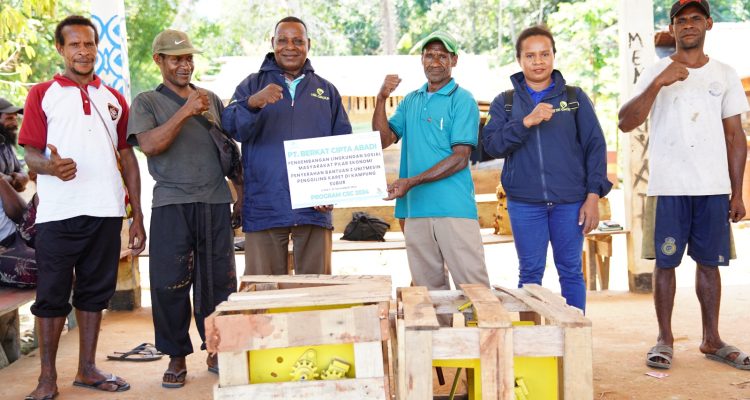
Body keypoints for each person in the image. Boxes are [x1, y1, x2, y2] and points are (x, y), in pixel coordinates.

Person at [18, 15, 146, 399]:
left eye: (89, 44)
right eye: (74, 45)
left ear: (96, 47)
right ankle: (46, 378)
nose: (83, 51)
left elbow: (127, 158)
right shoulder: (42, 94)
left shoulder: (113, 99)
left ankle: (87, 369)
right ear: (60, 49)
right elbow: (31, 156)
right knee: (52, 295)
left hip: (106, 211)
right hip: (58, 214)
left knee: (95, 292)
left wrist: (137, 214)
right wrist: (50, 167)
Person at [619, 0, 750, 370]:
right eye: (681, 20)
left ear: (708, 24)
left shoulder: (724, 74)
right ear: (672, 27)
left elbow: (735, 137)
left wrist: (737, 192)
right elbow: (626, 121)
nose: (688, 25)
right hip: (668, 187)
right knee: (666, 263)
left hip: (712, 188)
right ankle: (665, 338)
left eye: (695, 18)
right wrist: (659, 82)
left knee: (710, 265)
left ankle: (712, 339)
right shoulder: (656, 70)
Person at [127, 29, 238, 388]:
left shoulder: (212, 99)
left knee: (217, 280)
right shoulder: (146, 102)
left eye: (188, 58)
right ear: (159, 60)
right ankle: (176, 356)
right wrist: (186, 112)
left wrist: (241, 193)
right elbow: (150, 145)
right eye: (176, 58)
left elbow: (226, 149)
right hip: (172, 202)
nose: (185, 65)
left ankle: (215, 348)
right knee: (168, 283)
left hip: (216, 200)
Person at [482, 26, 611, 312]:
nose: (538, 61)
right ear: (519, 60)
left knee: (571, 272)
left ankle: (576, 336)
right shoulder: (506, 103)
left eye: (545, 54)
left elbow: (595, 148)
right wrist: (525, 122)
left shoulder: (575, 98)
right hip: (525, 204)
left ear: (554, 56)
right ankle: (532, 344)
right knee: (530, 275)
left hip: (570, 202)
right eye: (530, 55)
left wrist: (593, 196)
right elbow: (492, 145)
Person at [222, 16, 351, 275]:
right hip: (265, 205)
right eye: (283, 40)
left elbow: (343, 145)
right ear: (273, 43)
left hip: (314, 208)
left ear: (308, 45)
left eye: (297, 41)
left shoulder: (326, 91)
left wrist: (331, 190)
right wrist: (252, 103)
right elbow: (232, 128)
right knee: (264, 292)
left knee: (315, 294)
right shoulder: (251, 85)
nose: (290, 47)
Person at [372, 31, 490, 291]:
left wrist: (412, 181)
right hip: (415, 211)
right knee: (429, 295)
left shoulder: (463, 100)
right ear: (421, 59)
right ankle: (440, 333)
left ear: (454, 60)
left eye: (442, 56)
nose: (435, 62)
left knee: (475, 292)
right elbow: (382, 139)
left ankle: (485, 334)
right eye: (429, 55)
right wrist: (381, 99)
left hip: (454, 210)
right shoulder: (411, 101)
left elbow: (460, 157)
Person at [0, 97, 30, 191]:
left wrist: (24, 177)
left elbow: (19, 169)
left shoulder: (6, 143)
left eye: (15, 118)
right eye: (9, 118)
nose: (15, 123)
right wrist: (11, 180)